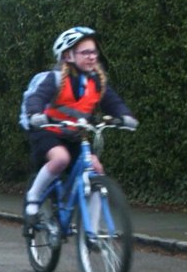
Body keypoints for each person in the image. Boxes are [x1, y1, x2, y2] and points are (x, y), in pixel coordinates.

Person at [19, 26, 137, 235]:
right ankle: (34, 198)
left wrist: (124, 116)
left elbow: (113, 101)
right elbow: (37, 97)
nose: (92, 57)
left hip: (74, 134)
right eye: (85, 52)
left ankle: (91, 229)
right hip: (47, 131)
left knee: (96, 169)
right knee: (61, 158)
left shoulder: (97, 81)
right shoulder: (55, 79)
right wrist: (36, 114)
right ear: (68, 55)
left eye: (94, 52)